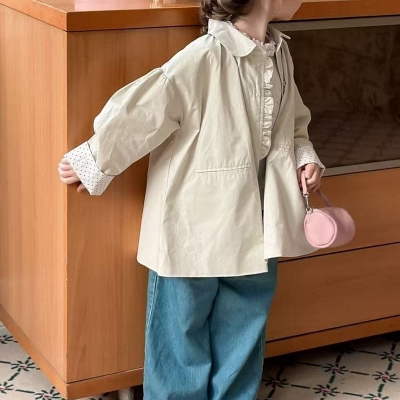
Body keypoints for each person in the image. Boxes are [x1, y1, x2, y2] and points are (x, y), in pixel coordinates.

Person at [58, 0, 324, 398]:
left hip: (257, 216)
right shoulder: (205, 56)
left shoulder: (278, 53)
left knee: (245, 316)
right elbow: (147, 107)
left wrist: (304, 155)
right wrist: (96, 159)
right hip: (192, 217)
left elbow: (293, 118)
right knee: (181, 321)